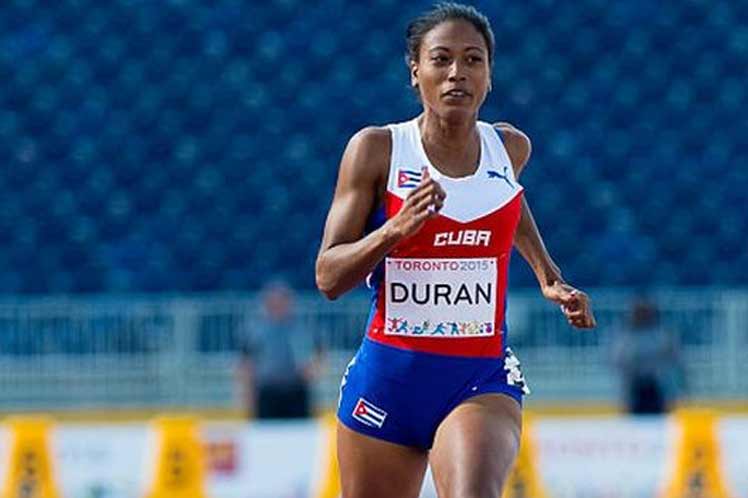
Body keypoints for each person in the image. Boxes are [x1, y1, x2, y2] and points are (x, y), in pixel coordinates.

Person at [315, 3, 596, 497]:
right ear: (415, 71)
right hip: (388, 379)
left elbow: (507, 204)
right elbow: (328, 277)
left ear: (490, 75)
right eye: (441, 59)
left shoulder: (509, 148)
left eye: (472, 60)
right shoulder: (378, 149)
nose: (456, 73)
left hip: (478, 377)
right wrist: (394, 230)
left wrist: (549, 276)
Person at [237, 280, 323, 419]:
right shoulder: (255, 329)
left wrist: (314, 368)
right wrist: (248, 393)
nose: (278, 305)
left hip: (296, 389)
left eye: (282, 301)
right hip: (267, 391)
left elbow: (320, 349)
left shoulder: (302, 327)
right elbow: (246, 362)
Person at [612, 297, 682, 414]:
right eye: (639, 312)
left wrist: (675, 392)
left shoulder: (663, 336)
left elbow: (675, 362)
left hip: (659, 389)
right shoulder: (624, 338)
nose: (642, 316)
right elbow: (618, 362)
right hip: (634, 389)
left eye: (645, 312)